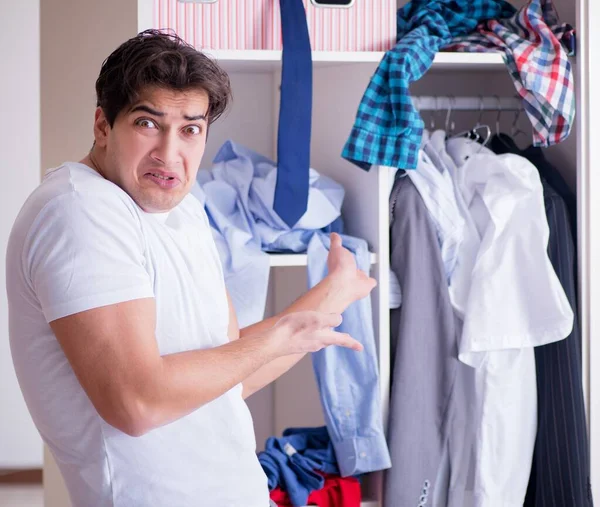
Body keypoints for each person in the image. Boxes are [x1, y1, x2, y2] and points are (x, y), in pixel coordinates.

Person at [5, 29, 376, 507]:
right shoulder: (79, 210)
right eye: (146, 123)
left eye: (190, 129)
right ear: (102, 126)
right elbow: (136, 403)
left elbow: (229, 377)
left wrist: (334, 293)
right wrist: (279, 334)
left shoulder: (183, 210)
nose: (169, 153)